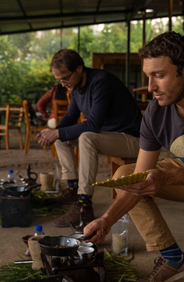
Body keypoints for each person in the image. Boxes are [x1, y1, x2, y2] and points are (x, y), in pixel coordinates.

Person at [83, 31, 184, 282]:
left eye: (159, 75)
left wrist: (167, 176)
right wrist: (107, 220)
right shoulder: (155, 113)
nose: (150, 87)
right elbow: (138, 177)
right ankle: (173, 258)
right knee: (126, 174)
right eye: (148, 76)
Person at [37, 49, 142, 228]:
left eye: (65, 78)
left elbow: (93, 124)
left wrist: (57, 132)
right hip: (110, 137)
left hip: (133, 139)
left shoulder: (101, 82)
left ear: (79, 69)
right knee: (62, 137)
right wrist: (53, 132)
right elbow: (71, 116)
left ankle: (84, 206)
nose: (63, 84)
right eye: (59, 80)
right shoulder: (76, 87)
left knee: (86, 137)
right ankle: (72, 189)